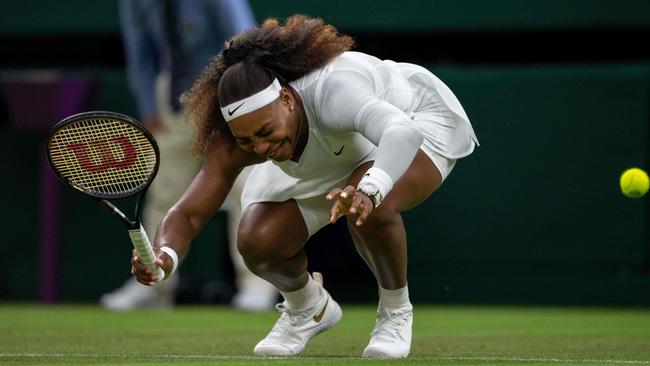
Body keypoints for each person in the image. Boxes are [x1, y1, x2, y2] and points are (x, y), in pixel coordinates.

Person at [131, 15, 479, 358]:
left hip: (415, 120)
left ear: (285, 99)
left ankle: (395, 312)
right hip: (328, 154)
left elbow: (401, 132)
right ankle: (307, 308)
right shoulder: (238, 140)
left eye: (265, 132)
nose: (260, 148)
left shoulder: (335, 90)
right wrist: (165, 256)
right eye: (247, 140)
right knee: (256, 239)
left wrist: (369, 189)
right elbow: (189, 213)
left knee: (376, 204)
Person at [100, 0, 278, 312]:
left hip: (226, 92)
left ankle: (257, 284)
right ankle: (155, 284)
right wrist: (148, 106)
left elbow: (243, 40)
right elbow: (139, 49)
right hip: (173, 95)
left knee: (246, 189)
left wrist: (236, 99)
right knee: (164, 191)